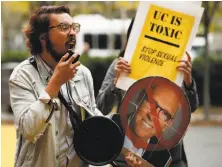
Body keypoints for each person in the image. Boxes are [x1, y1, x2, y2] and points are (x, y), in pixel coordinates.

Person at [96, 18, 199, 167]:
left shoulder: (174, 67)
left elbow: (192, 107)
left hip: (167, 155)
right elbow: (100, 107)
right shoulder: (120, 65)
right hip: (125, 154)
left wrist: (188, 81)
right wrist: (116, 82)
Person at [9, 6, 102, 167]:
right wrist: (55, 83)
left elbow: (92, 116)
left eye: (74, 27)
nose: (72, 33)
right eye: (64, 27)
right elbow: (29, 130)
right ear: (43, 37)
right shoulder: (22, 75)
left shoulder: (82, 73)